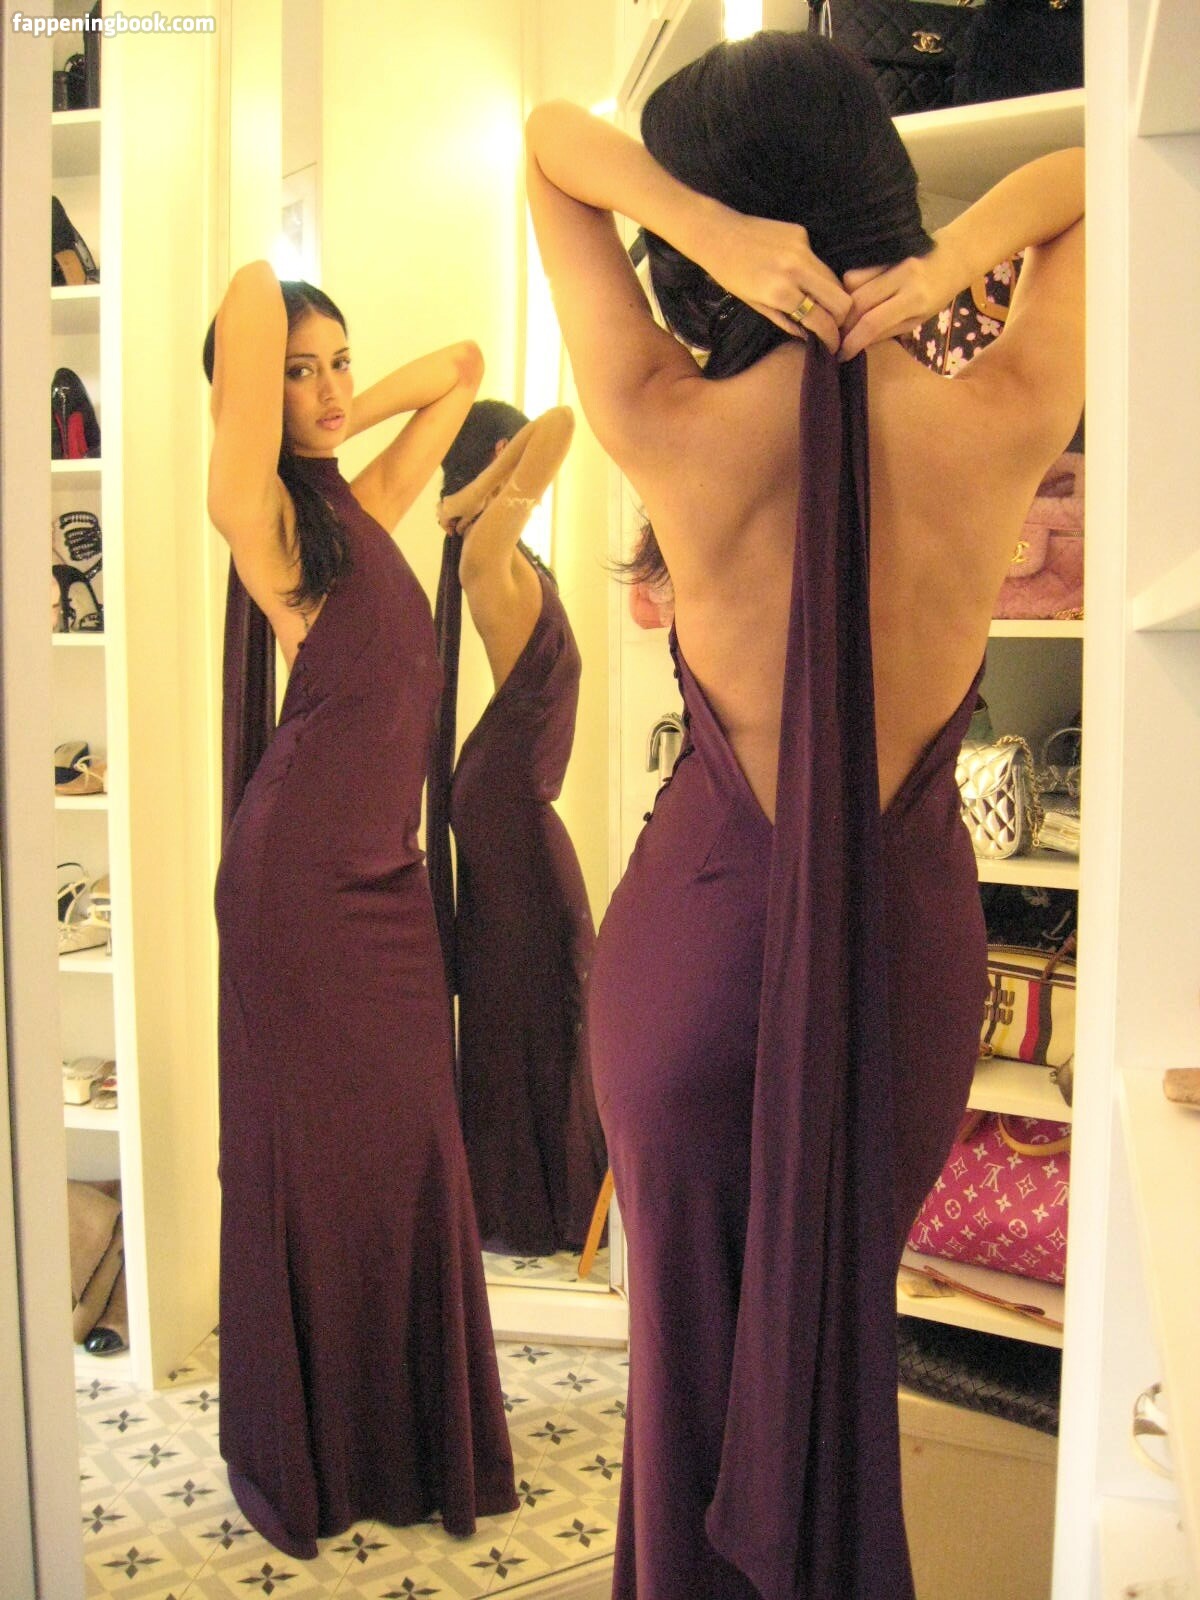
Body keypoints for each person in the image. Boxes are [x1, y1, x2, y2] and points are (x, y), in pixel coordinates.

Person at [525, 31, 1083, 1600]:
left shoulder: (666, 413)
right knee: (841, 1326)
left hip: (700, 954)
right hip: (904, 959)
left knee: (684, 1370)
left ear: (718, 219)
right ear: (879, 183)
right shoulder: (999, 414)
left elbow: (550, 141)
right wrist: (955, 261)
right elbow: (1098, 181)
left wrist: (701, 231)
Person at [204, 265, 517, 1559]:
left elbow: (462, 368)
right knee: (316, 1171)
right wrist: (275, 397)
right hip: (296, 887)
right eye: (301, 368)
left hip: (382, 884)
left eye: (339, 360)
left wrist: (335, 409)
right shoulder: (264, 517)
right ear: (247, 391)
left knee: (410, 1156)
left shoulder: (362, 507)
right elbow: (243, 295)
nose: (332, 385)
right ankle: (317, 1452)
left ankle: (402, 1439)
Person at [429, 400, 608, 1256]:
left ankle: (531, 1197)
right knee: (550, 986)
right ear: (503, 452)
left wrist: (474, 491)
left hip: (510, 796)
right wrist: (480, 494)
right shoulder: (484, 557)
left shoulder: (507, 554)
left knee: (533, 991)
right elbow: (562, 423)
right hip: (507, 803)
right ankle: (534, 1204)